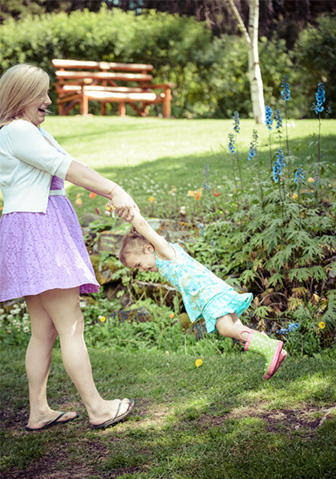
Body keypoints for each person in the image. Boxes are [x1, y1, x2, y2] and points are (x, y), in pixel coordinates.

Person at [0, 64, 137, 431]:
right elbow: (66, 166)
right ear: (21, 97)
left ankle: (39, 411)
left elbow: (67, 166)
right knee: (71, 324)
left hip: (30, 227)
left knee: (43, 329)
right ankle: (98, 408)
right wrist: (113, 188)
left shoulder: (22, 132)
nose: (48, 100)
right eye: (41, 94)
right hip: (40, 229)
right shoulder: (19, 130)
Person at [118, 210, 287, 379]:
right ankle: (272, 347)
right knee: (235, 325)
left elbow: (144, 227)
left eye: (139, 264)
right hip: (211, 293)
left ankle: (270, 348)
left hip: (210, 294)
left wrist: (130, 214)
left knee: (225, 328)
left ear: (148, 248)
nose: (141, 269)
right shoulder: (161, 260)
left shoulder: (164, 252)